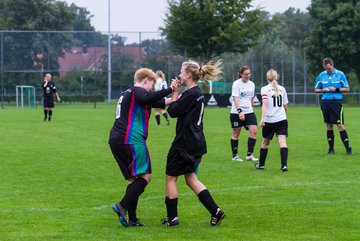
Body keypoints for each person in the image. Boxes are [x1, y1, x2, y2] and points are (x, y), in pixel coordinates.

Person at [109, 68, 177, 227]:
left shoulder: (131, 94)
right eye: (151, 85)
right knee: (146, 177)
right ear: (145, 80)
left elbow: (163, 102)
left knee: (133, 181)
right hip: (130, 139)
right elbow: (148, 97)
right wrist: (168, 89)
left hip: (116, 139)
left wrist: (176, 93)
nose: (152, 89)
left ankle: (132, 219)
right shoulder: (136, 90)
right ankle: (122, 206)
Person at [162, 60, 225, 227]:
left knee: (171, 178)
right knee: (191, 178)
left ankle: (172, 218)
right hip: (197, 143)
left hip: (184, 144)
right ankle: (216, 212)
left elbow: (173, 111)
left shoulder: (190, 94)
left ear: (188, 75)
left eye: (181, 72)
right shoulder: (197, 93)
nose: (179, 75)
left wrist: (175, 91)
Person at [314, 57, 352, 155]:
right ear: (324, 67)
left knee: (340, 126)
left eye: (329, 69)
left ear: (332, 65)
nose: (328, 71)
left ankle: (348, 149)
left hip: (336, 103)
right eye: (326, 69)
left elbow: (347, 89)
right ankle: (331, 149)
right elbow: (316, 89)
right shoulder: (321, 75)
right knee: (329, 125)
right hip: (325, 103)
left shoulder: (340, 74)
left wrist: (336, 89)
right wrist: (323, 90)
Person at [255, 69, 289, 172]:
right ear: (276, 77)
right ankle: (284, 165)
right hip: (282, 119)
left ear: (267, 78)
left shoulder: (265, 89)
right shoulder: (282, 89)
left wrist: (262, 119)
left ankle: (261, 165)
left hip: (269, 120)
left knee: (265, 143)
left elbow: (265, 103)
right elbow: (285, 106)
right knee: (282, 142)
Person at [230, 66, 258, 162]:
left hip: (249, 112)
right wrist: (239, 111)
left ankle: (249, 155)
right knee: (236, 133)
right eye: (246, 74)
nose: (248, 76)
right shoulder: (236, 84)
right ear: (241, 74)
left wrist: (252, 109)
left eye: (249, 74)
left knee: (254, 131)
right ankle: (235, 156)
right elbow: (235, 98)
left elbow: (251, 98)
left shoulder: (252, 84)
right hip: (236, 112)